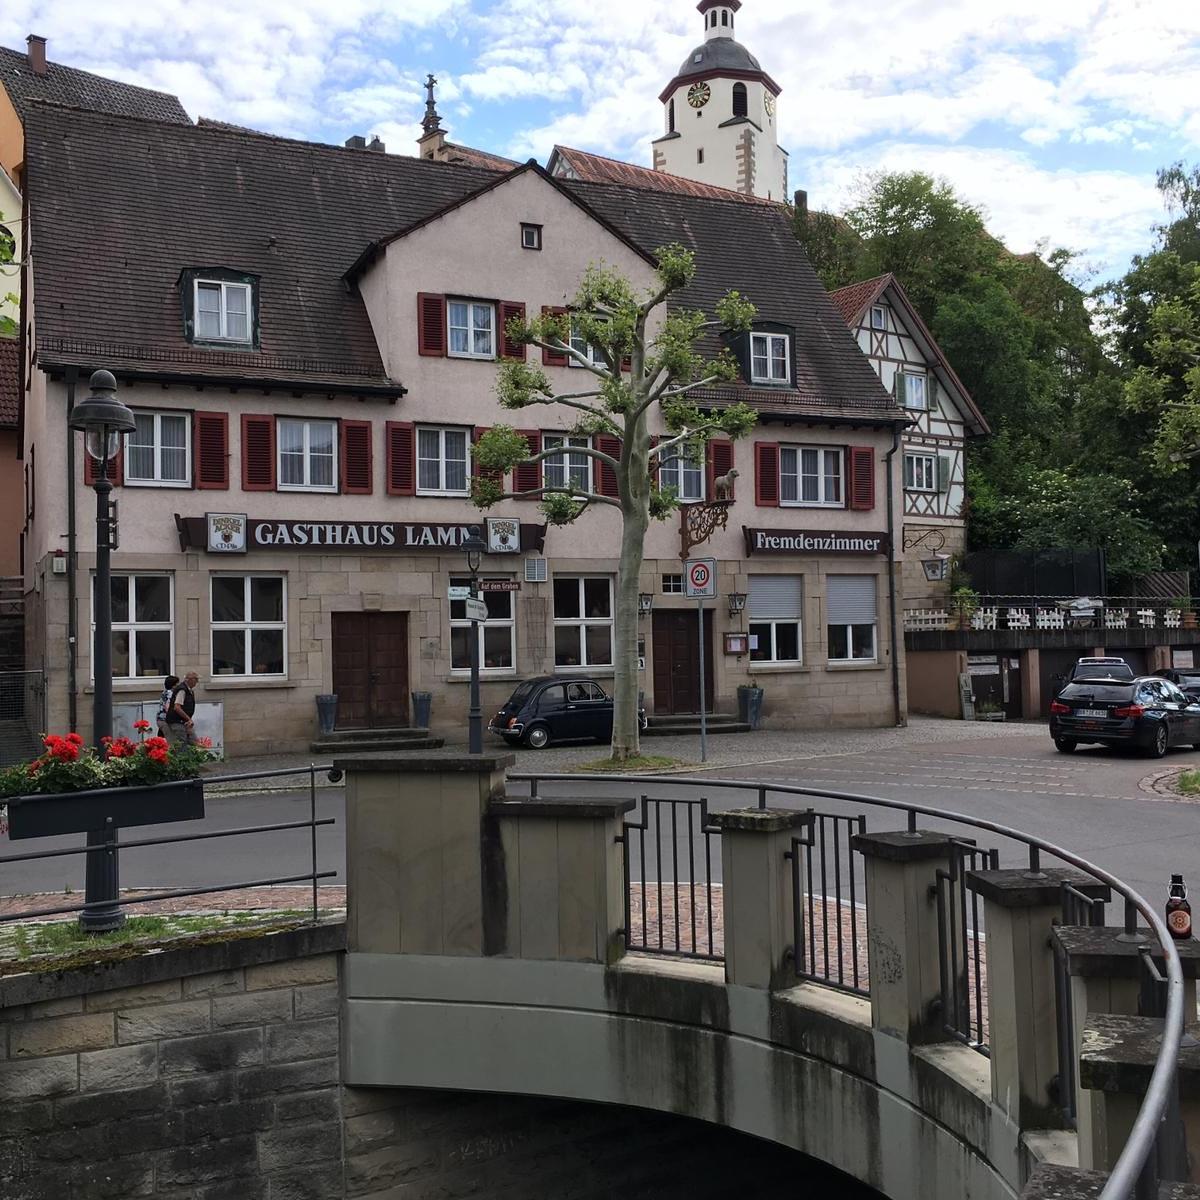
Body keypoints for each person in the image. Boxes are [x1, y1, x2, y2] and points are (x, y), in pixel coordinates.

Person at [164, 671, 199, 746]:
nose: (197, 681)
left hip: (183, 721)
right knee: (181, 743)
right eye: (196, 679)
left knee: (194, 740)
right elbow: (177, 707)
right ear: (190, 680)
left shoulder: (189, 690)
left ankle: (192, 757)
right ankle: (182, 757)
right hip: (176, 721)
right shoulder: (182, 690)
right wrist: (188, 719)